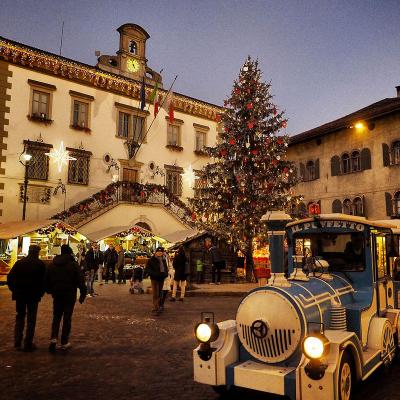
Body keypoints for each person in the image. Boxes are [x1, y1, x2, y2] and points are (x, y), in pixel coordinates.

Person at [46, 244, 87, 352]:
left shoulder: (53, 264)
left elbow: (47, 279)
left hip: (57, 294)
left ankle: (54, 338)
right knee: (67, 318)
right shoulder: (73, 265)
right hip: (69, 295)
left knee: (56, 316)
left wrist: (50, 290)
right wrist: (83, 294)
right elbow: (80, 280)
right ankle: (64, 341)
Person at [7, 245, 46, 351]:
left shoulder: (19, 263)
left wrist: (14, 290)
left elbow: (10, 278)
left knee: (20, 317)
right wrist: (41, 293)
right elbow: (44, 282)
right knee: (31, 320)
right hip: (33, 296)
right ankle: (28, 343)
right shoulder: (40, 265)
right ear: (37, 253)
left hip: (20, 295)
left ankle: (17, 341)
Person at [144, 247, 168, 314]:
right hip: (154, 279)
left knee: (160, 293)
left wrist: (165, 274)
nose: (159, 253)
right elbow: (147, 269)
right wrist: (154, 274)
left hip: (161, 278)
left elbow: (165, 268)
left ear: (163, 252)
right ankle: (155, 308)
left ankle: (159, 306)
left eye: (161, 252)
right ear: (156, 252)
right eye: (158, 251)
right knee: (155, 293)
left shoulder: (163, 259)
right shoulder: (151, 259)